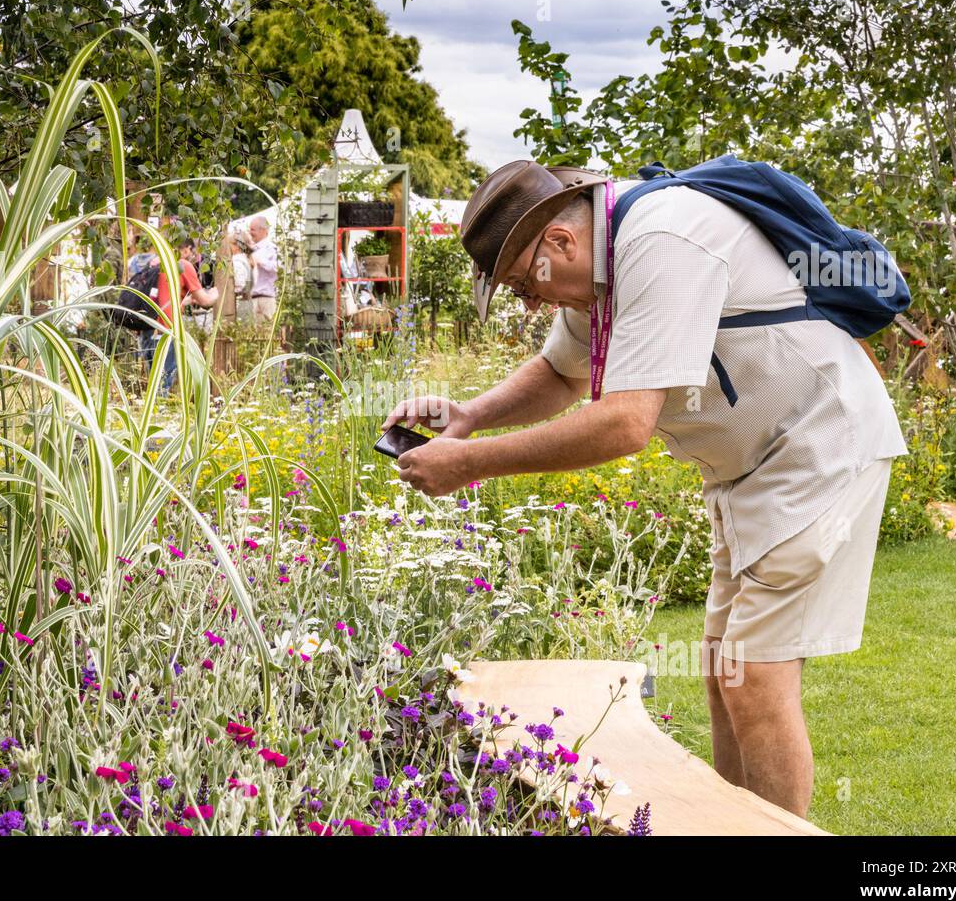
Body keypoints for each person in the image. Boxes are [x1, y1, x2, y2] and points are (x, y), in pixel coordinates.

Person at [381, 159, 907, 820]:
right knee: (725, 672)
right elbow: (562, 373)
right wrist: (470, 417)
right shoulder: (599, 266)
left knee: (755, 678)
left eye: (523, 284)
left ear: (560, 241)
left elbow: (625, 424)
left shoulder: (660, 240)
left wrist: (470, 463)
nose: (531, 304)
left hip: (818, 450)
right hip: (750, 472)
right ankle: (738, 830)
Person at [153, 243, 217, 392]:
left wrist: (185, 301)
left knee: (151, 382)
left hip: (147, 327)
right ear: (186, 250)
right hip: (167, 329)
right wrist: (217, 292)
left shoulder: (156, 263)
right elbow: (205, 301)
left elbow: (163, 296)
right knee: (163, 383)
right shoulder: (182, 265)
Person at [247, 215, 278, 325]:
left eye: (252, 229)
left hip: (267, 299)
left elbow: (279, 268)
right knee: (255, 333)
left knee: (269, 331)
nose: (250, 232)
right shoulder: (250, 249)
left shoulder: (272, 248)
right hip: (252, 299)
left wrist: (260, 261)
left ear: (263, 230)